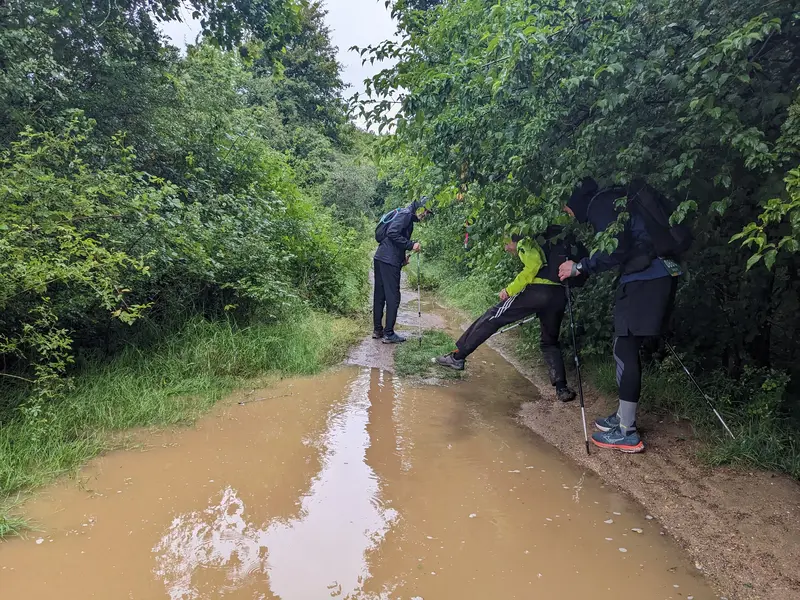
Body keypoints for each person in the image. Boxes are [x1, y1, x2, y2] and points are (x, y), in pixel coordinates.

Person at [559, 178, 680, 453]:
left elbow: (614, 248)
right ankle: (623, 417)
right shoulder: (617, 198)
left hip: (646, 278)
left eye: (567, 208)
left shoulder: (601, 204)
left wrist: (580, 266)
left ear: (576, 200)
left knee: (624, 346)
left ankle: (627, 431)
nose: (568, 213)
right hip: (660, 272)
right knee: (627, 345)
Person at [435, 229, 577, 403]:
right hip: (559, 294)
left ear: (513, 239)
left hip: (538, 292)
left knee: (492, 317)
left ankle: (457, 357)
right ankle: (561, 388)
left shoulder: (524, 241)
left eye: (506, 243)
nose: (506, 248)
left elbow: (534, 265)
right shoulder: (550, 242)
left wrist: (509, 290)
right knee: (550, 342)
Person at [373, 198, 433, 344]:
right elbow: (393, 233)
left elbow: (392, 236)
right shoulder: (406, 214)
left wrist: (401, 259)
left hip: (381, 257)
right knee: (393, 297)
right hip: (388, 260)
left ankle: (378, 330)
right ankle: (389, 333)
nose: (425, 215)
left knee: (380, 295)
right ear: (418, 208)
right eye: (425, 211)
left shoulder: (404, 214)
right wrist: (411, 245)